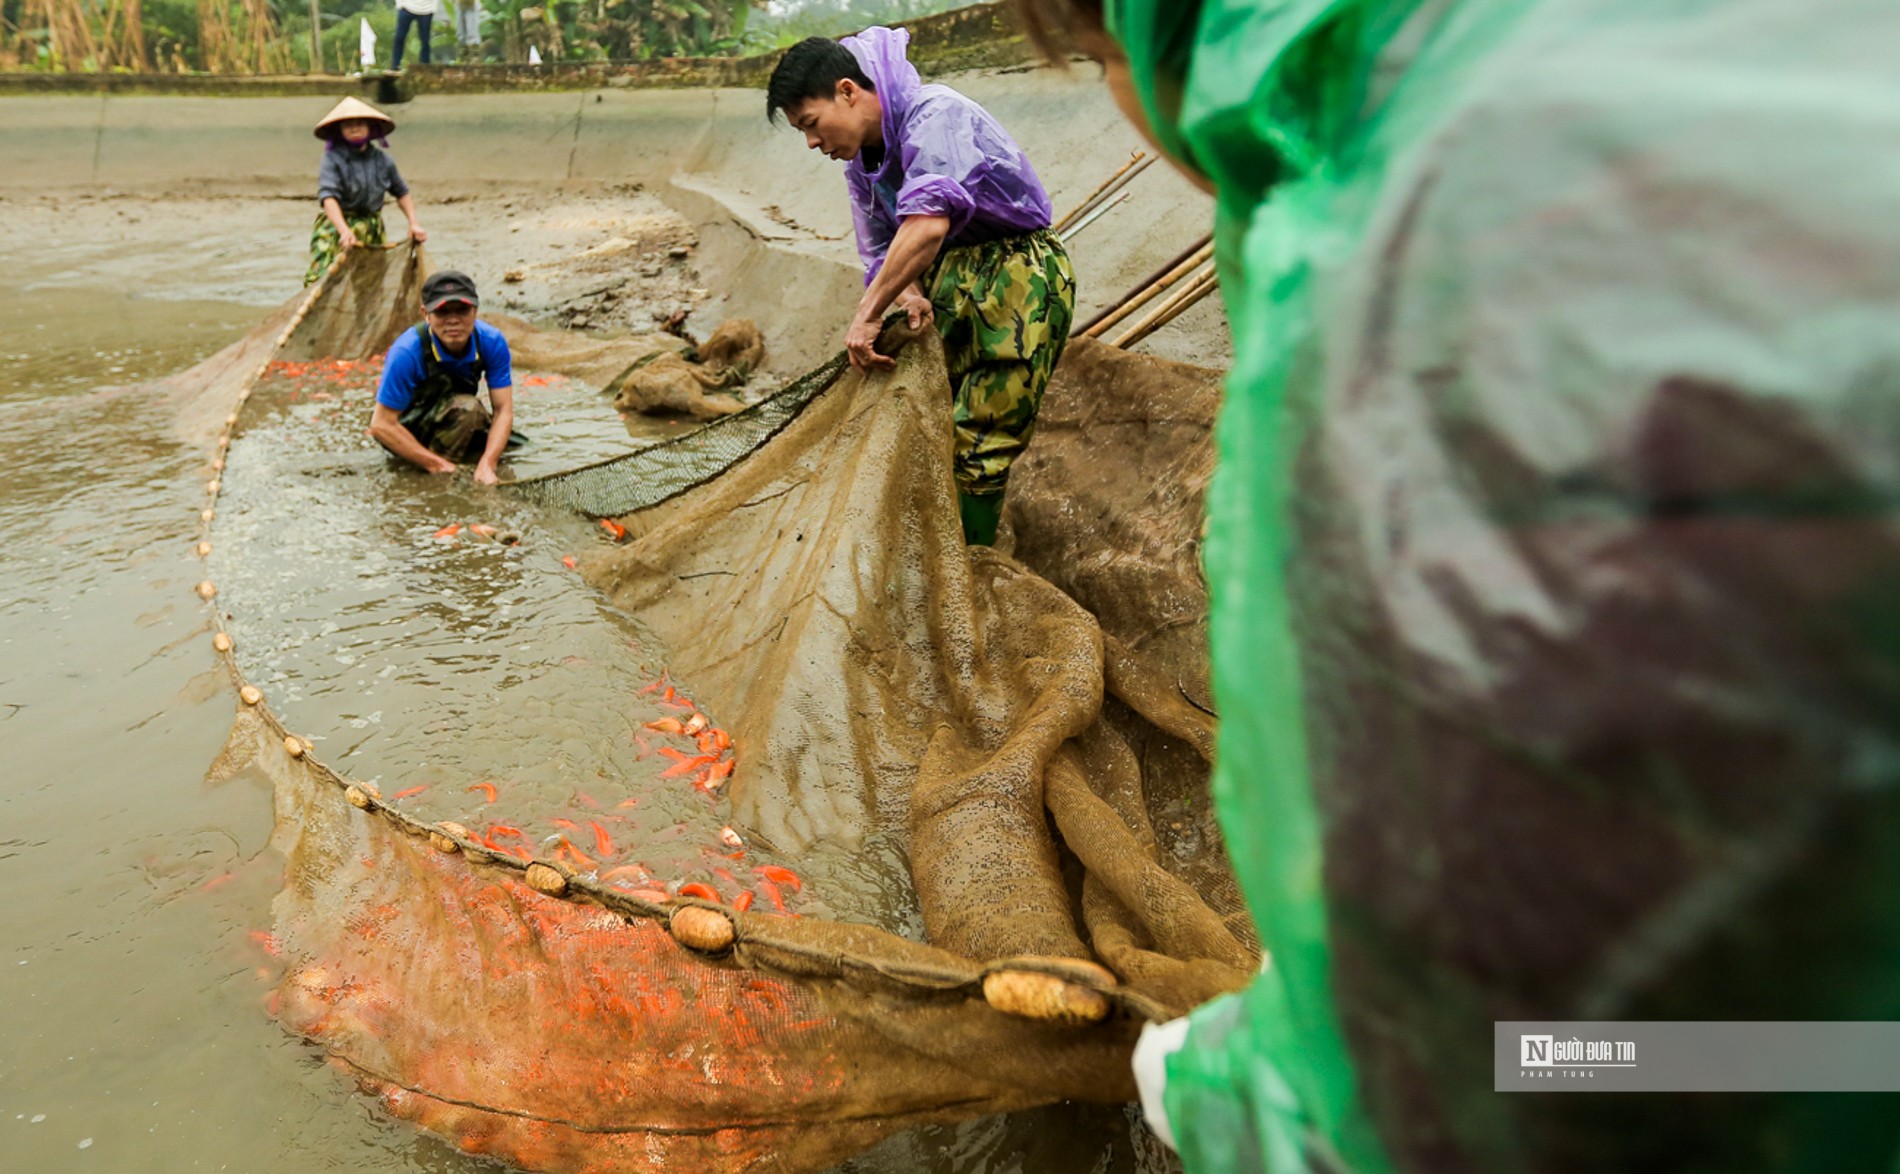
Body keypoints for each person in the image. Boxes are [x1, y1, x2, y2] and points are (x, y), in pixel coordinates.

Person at [766, 28, 1076, 547]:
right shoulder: (863, 160)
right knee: (933, 429)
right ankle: (931, 555)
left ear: (847, 91)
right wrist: (906, 293)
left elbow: (927, 224)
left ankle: (968, 573)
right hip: (946, 282)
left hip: (1016, 280)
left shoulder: (935, 116)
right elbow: (882, 246)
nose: (813, 143)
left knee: (981, 442)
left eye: (812, 124)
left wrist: (867, 314)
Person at [371, 270, 516, 485]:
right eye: (442, 312)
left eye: (462, 311)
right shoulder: (406, 352)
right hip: (407, 428)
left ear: (475, 311)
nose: (453, 320)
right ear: (425, 314)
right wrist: (437, 465)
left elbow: (503, 410)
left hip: (452, 416)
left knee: (483, 423)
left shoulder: (491, 342)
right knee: (468, 409)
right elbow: (381, 425)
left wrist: (488, 463)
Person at [306, 97, 426, 286]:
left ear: (370, 127)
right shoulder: (332, 159)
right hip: (337, 226)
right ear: (340, 130)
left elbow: (402, 192)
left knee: (370, 283)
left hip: (371, 226)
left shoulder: (383, 160)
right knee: (323, 280)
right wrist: (344, 231)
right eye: (348, 125)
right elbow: (328, 197)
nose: (355, 129)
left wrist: (414, 223)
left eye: (360, 124)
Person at [391, 0, 438, 71]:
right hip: (406, 7)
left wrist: (433, 9)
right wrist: (399, 5)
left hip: (426, 10)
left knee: (425, 41)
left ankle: (425, 66)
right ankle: (395, 65)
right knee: (399, 37)